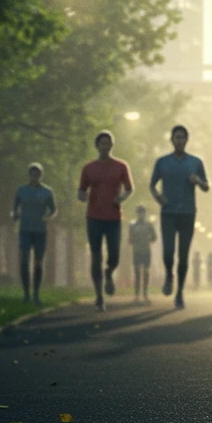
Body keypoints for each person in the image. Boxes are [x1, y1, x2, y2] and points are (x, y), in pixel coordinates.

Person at [150, 125, 209, 310]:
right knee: (168, 252)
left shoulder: (195, 162)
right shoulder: (162, 162)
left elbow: (206, 186)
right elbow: (152, 185)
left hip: (188, 213)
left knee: (183, 256)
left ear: (187, 140)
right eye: (176, 137)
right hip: (168, 213)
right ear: (172, 140)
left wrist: (198, 181)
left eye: (182, 137)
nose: (179, 140)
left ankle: (180, 292)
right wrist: (158, 197)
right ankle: (169, 274)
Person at [77, 131, 133, 312]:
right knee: (96, 256)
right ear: (97, 145)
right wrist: (82, 196)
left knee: (114, 255)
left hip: (114, 217)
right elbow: (81, 190)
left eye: (108, 143)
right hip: (93, 217)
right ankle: (99, 296)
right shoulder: (88, 168)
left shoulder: (121, 166)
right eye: (102, 143)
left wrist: (122, 197)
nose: (105, 146)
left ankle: (109, 272)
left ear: (112, 146)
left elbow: (129, 189)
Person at [11, 163, 56, 306]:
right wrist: (14, 215)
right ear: (29, 175)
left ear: (41, 175)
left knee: (38, 262)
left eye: (37, 174)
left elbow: (54, 209)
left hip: (40, 231)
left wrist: (49, 216)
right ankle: (26, 294)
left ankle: (36, 293)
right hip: (25, 230)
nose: (34, 176)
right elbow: (14, 208)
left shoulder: (47, 191)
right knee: (24, 260)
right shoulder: (21, 191)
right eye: (32, 174)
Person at [128, 206, 157, 303]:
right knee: (137, 273)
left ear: (145, 213)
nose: (141, 214)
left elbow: (154, 237)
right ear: (137, 214)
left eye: (142, 212)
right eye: (139, 212)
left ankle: (145, 294)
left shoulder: (149, 225)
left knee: (146, 273)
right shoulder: (132, 225)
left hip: (146, 251)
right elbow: (130, 240)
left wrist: (148, 239)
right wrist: (133, 239)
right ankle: (136, 295)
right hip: (136, 251)